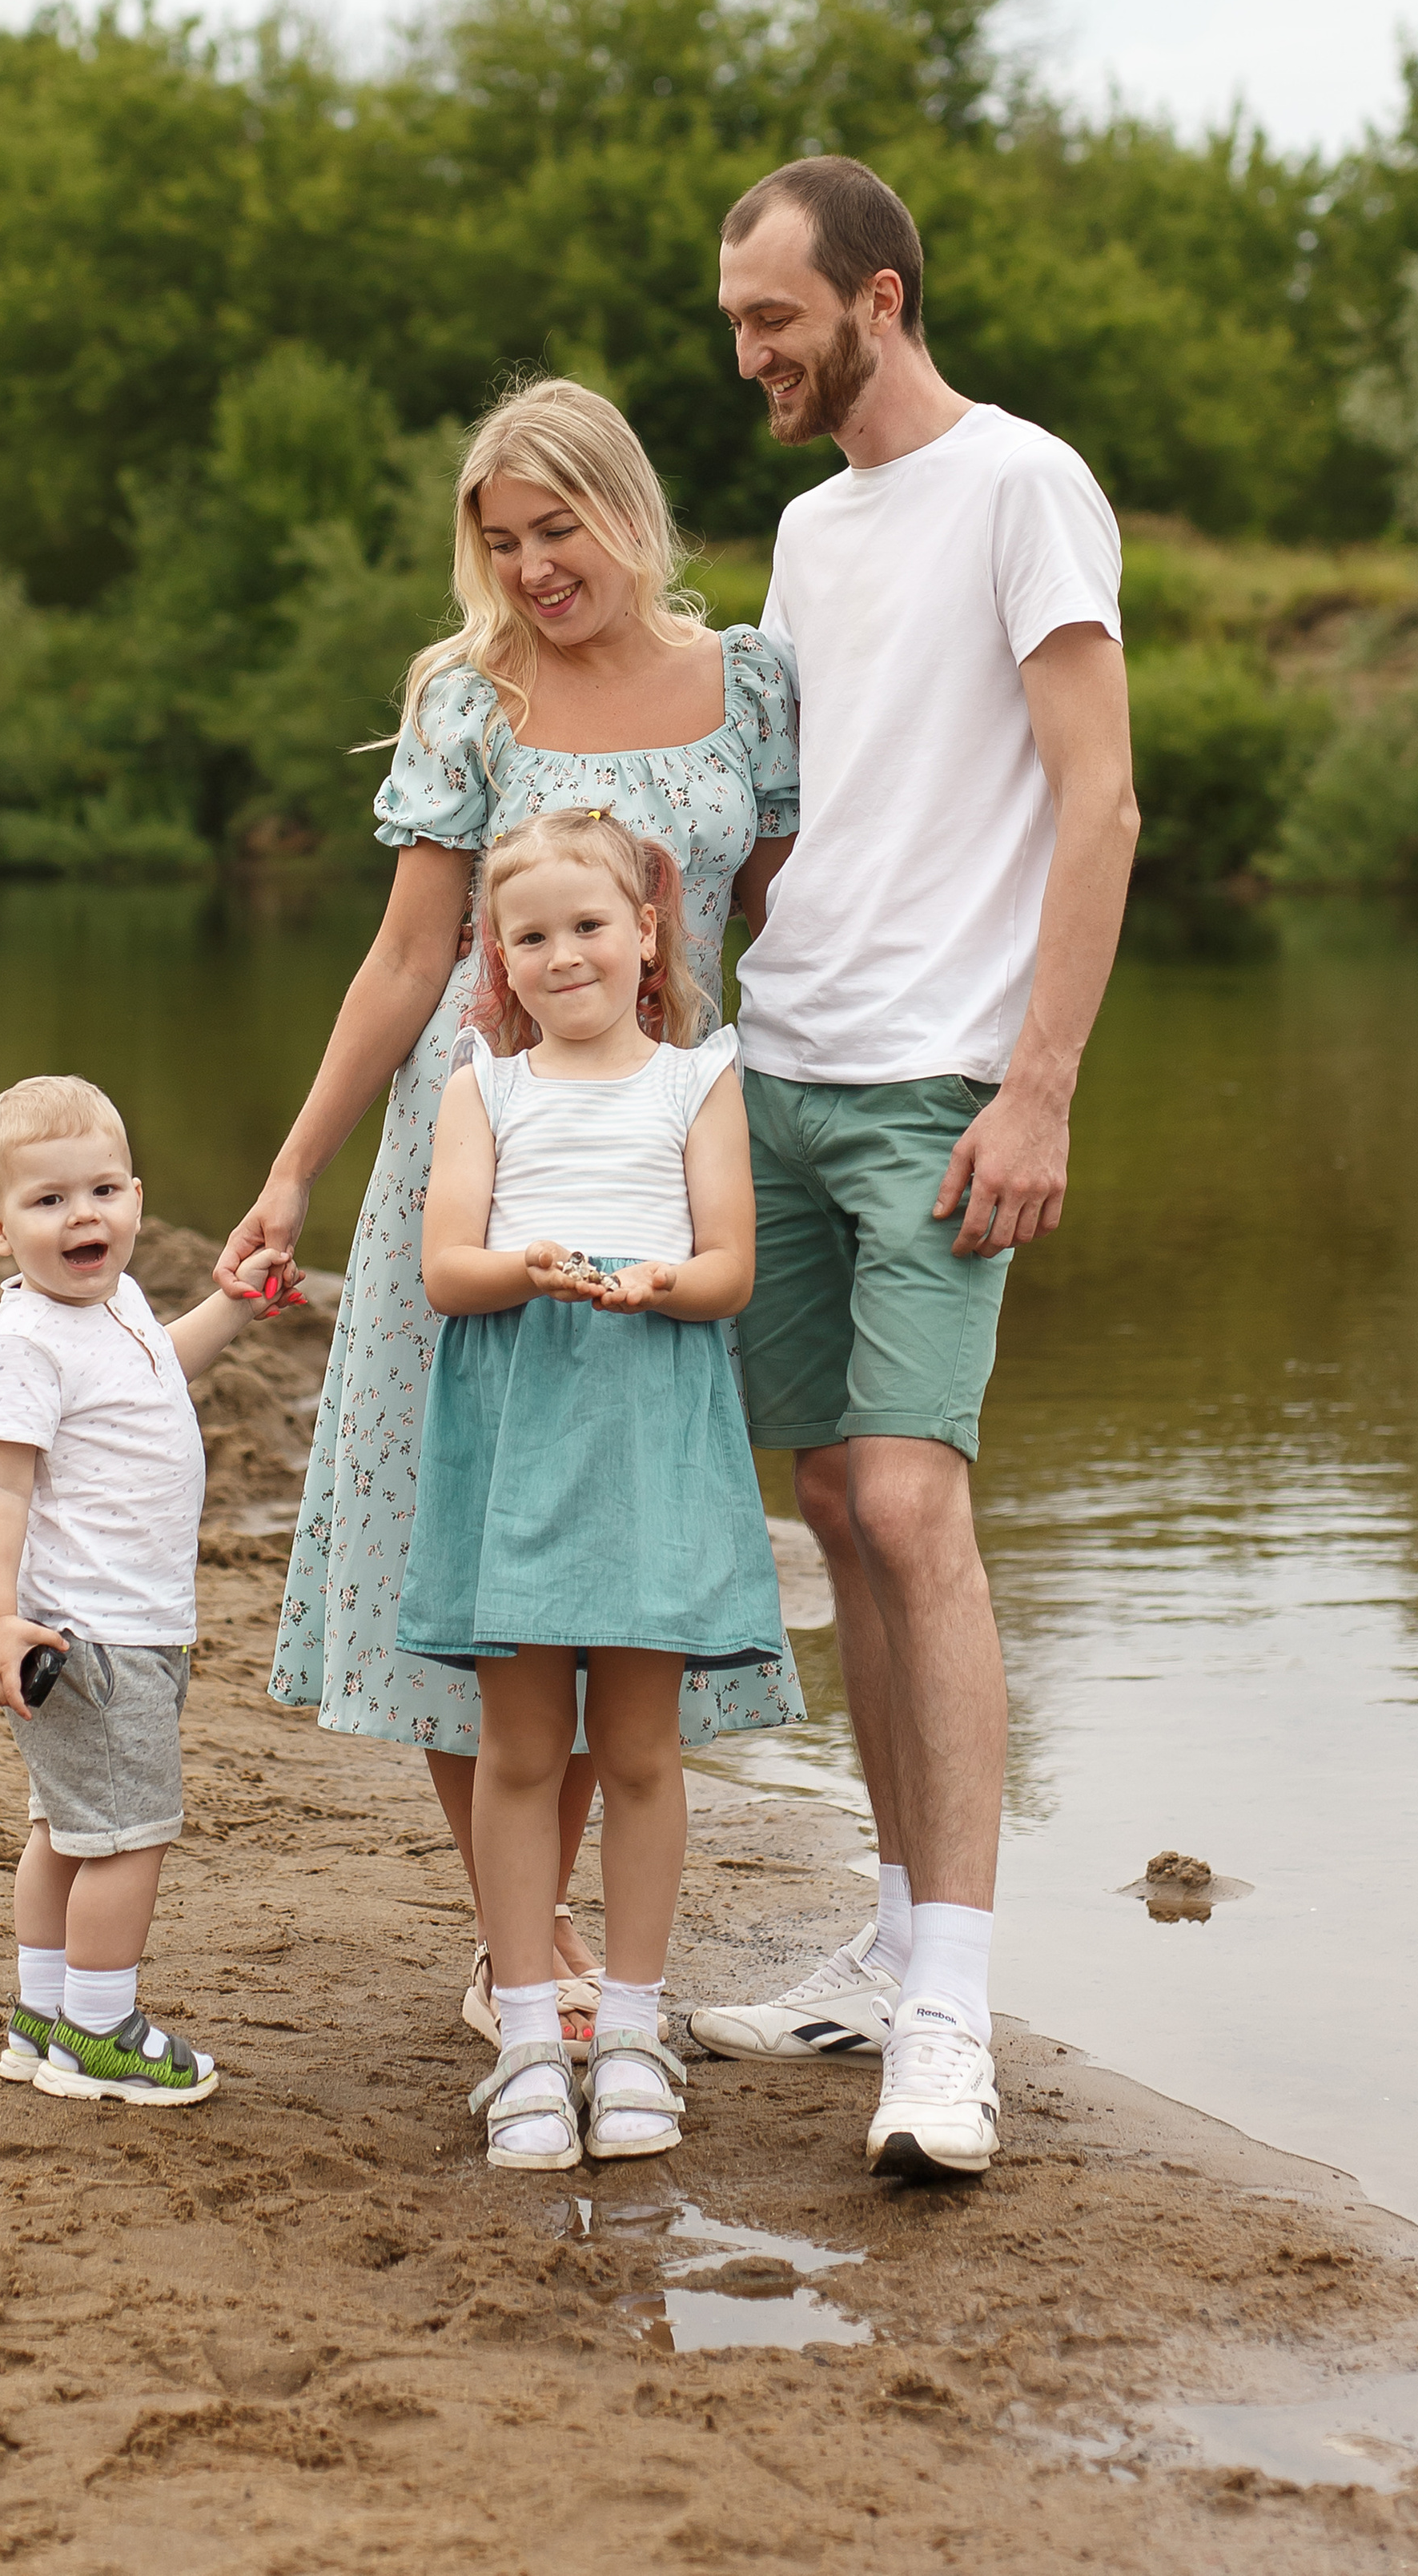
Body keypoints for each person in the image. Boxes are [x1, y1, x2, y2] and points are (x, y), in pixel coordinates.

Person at [215, 377, 800, 2048]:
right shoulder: (468, 702)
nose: (534, 566)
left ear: (627, 507)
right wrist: (291, 1169)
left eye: (557, 527)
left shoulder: (742, 686)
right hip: (471, 1157)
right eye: (502, 540)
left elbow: (784, 923)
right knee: (458, 1540)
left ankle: (608, 1954)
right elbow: (410, 959)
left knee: (621, 1558)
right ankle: (515, 1944)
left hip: (661, 1168)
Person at [688, 156, 1140, 2186]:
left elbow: (1097, 796)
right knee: (830, 1513)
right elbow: (791, 802)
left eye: (774, 316)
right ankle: (882, 1937)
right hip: (777, 1065)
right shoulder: (804, 524)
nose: (750, 353)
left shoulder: (1020, 483)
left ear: (878, 294)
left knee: (907, 1490)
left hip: (933, 1080)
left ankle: (949, 2010)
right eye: (731, 323)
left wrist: (1037, 1085)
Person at [397, 810, 793, 2168]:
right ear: (497, 963)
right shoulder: (481, 1089)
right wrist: (533, 1265)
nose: (562, 954)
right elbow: (449, 1266)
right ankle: (523, 2031)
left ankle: (629, 2026)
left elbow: (730, 1260)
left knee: (637, 1750)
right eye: (530, 935)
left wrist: (666, 1283)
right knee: (519, 1750)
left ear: (645, 938)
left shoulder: (699, 1078)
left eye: (587, 927)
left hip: (647, 1424)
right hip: (518, 1428)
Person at [0, 1071, 287, 2107]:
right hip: (91, 1633)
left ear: (137, 1200)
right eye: (47, 1201)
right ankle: (100, 2032)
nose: (81, 1217)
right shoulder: (25, 1341)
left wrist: (230, 1309)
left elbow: (160, 1366)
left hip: (131, 1628)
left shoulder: (118, 1305)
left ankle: (43, 2013)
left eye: (101, 1191)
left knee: (67, 1827)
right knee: (128, 1835)